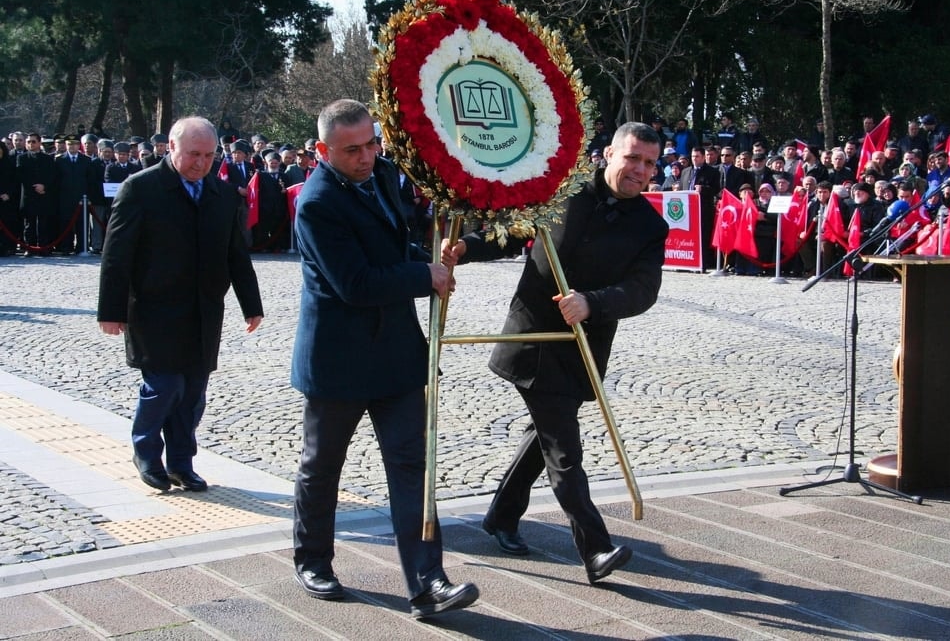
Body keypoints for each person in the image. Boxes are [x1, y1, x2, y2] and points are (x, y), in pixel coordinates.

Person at [445, 121, 669, 584]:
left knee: (546, 436)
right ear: (609, 153)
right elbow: (512, 232)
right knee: (563, 449)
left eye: (649, 163)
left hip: (582, 347)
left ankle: (502, 516)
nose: (640, 170)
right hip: (532, 339)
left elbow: (643, 290)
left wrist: (593, 302)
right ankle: (595, 548)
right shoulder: (559, 193)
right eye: (632, 158)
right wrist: (467, 246)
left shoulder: (651, 226)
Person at [289, 99, 477, 618]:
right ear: (324, 151)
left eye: (372, 144)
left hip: (395, 353)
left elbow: (392, 251)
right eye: (353, 150)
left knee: (413, 465)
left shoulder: (385, 175)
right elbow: (354, 283)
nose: (367, 156)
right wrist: (425, 277)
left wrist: (431, 259)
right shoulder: (317, 202)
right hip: (338, 359)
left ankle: (428, 582)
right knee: (322, 466)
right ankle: (313, 559)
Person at [97, 116, 263, 493]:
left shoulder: (221, 196)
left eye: (208, 155)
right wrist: (111, 310)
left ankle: (181, 463)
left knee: (192, 394)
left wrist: (250, 303)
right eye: (193, 154)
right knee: (164, 386)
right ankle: (147, 454)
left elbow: (236, 254)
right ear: (170, 148)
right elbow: (116, 254)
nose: (201, 163)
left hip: (203, 311)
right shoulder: (141, 189)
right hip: (154, 309)